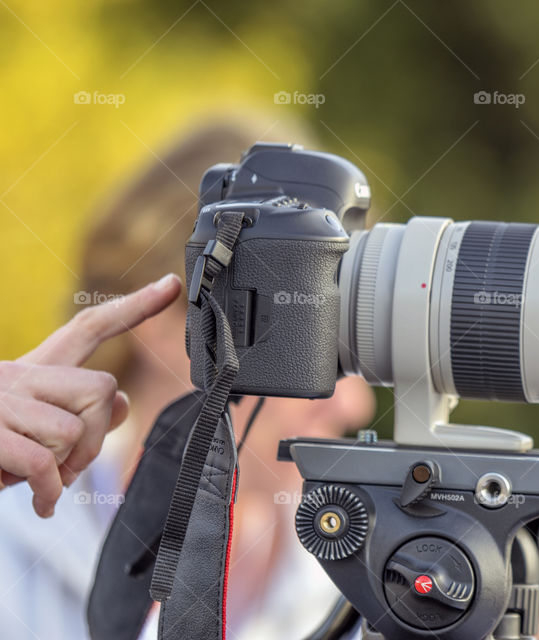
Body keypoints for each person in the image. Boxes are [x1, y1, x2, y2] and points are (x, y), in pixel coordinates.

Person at [0, 116, 375, 640]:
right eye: (309, 341)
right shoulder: (10, 545)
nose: (353, 407)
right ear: (160, 316)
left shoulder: (365, 597)